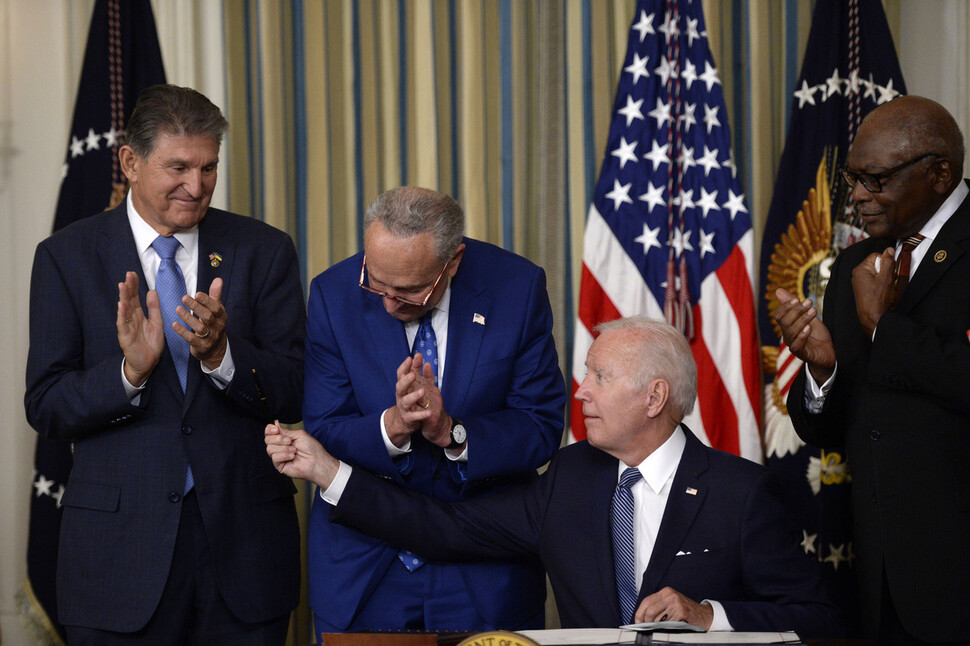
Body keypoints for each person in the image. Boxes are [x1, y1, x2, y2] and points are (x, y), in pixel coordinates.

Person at [270, 317, 842, 638]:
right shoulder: (571, 477)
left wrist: (707, 615)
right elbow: (444, 526)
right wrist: (330, 472)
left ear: (654, 397)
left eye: (599, 375)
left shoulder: (741, 492)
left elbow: (817, 619)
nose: (580, 390)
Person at [25, 84, 305, 645]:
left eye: (209, 168)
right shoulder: (66, 256)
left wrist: (222, 356)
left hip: (243, 556)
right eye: (178, 167)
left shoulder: (264, 249)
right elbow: (47, 405)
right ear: (130, 161)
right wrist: (128, 374)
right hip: (117, 561)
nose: (196, 186)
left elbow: (296, 389)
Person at [302, 186, 565, 633]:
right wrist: (393, 426)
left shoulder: (516, 288)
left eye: (408, 291)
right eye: (376, 282)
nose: (387, 302)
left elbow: (539, 426)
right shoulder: (333, 293)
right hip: (367, 568)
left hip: (483, 569)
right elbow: (325, 425)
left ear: (453, 262)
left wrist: (451, 432)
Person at [777, 95, 970, 644]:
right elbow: (827, 427)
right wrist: (821, 373)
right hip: (876, 576)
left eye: (875, 179)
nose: (858, 196)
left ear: (938, 174)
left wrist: (884, 328)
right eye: (853, 179)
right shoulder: (853, 265)